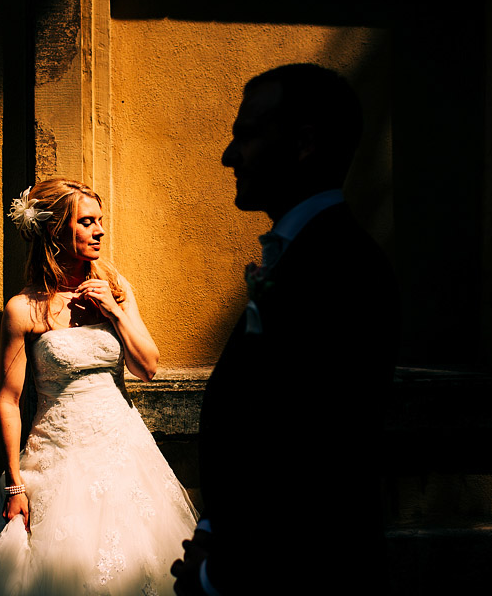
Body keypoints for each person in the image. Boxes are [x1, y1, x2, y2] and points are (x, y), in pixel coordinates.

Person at [171, 64, 399, 594]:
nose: (229, 156)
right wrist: (213, 532)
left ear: (303, 144)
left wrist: (216, 577)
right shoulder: (303, 254)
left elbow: (316, 459)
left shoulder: (342, 267)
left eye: (247, 136)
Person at [0, 178, 198, 596]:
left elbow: (148, 368)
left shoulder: (117, 288)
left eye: (100, 220)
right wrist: (14, 483)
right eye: (87, 222)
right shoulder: (24, 309)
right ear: (54, 231)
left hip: (125, 450)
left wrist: (113, 311)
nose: (99, 231)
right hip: (59, 455)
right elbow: (9, 400)